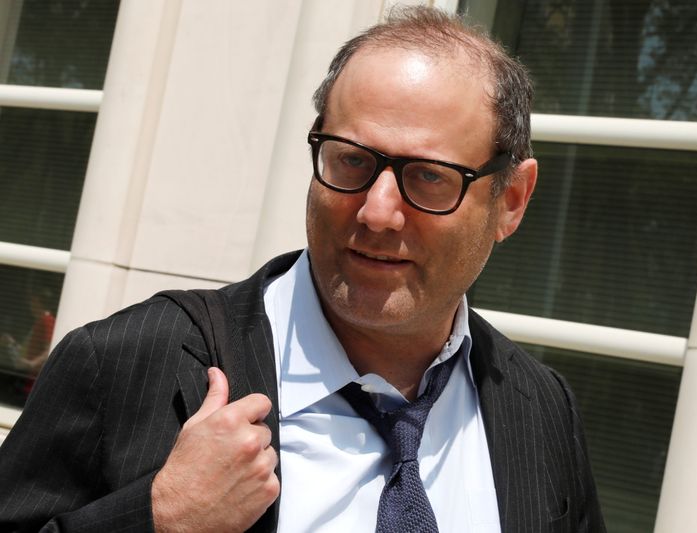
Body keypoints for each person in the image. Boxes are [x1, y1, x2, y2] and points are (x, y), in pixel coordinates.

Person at [0, 7, 605, 533]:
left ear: (512, 201)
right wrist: (157, 518)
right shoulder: (128, 364)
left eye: (428, 177)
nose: (376, 212)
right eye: (350, 160)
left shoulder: (540, 411)